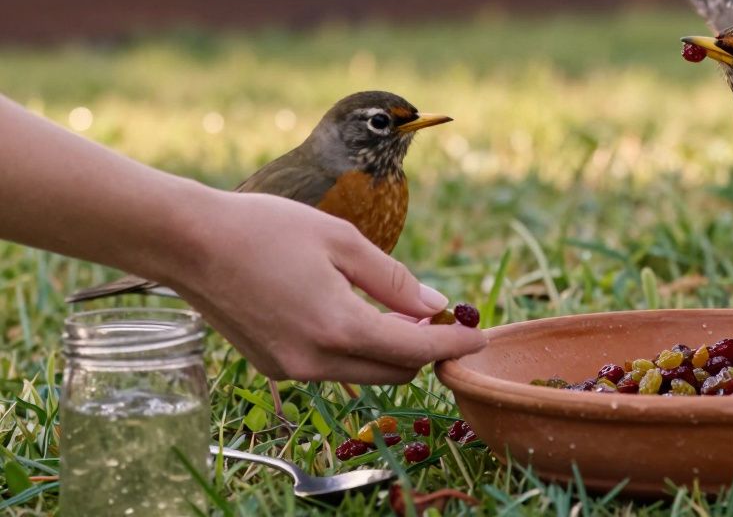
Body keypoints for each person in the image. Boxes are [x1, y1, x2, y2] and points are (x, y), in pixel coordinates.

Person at [0, 94, 486, 383]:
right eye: (382, 123)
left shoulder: (388, 185)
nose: (404, 129)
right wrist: (194, 251)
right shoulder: (327, 183)